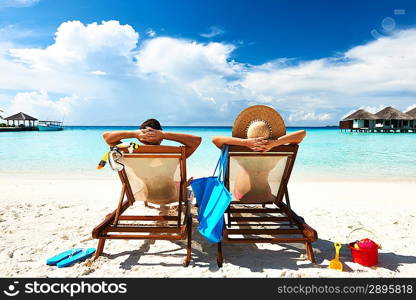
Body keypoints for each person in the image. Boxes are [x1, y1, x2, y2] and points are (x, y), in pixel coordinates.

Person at [211, 105, 306, 203]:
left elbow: (215, 139)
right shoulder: (277, 153)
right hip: (265, 195)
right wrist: (274, 143)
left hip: (241, 196)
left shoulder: (238, 151)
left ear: (247, 134)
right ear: (270, 135)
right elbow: (302, 134)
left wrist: (245, 142)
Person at [102, 119, 201, 209]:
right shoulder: (175, 154)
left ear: (140, 138)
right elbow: (197, 141)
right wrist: (164, 135)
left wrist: (134, 133)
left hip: (145, 196)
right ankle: (185, 185)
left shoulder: (129, 153)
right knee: (187, 189)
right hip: (171, 196)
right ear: (161, 138)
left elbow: (107, 137)